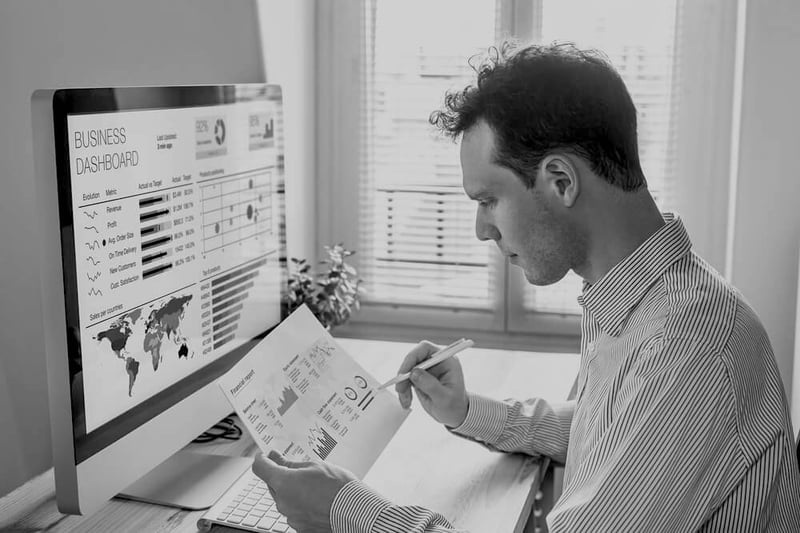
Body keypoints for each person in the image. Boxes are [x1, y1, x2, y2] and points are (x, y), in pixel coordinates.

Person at [252, 42, 800, 532]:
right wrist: (467, 410)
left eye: (489, 200)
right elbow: (603, 434)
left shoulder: (689, 347)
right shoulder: (651, 298)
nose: (480, 229)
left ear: (561, 182)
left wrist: (347, 512)